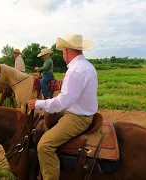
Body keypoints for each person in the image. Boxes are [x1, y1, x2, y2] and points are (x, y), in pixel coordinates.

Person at [26, 34, 98, 180]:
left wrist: (38, 103)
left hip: (78, 117)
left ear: (66, 51)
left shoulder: (75, 70)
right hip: (77, 109)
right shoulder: (87, 66)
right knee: (46, 120)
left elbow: (62, 102)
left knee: (44, 146)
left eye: (63, 51)